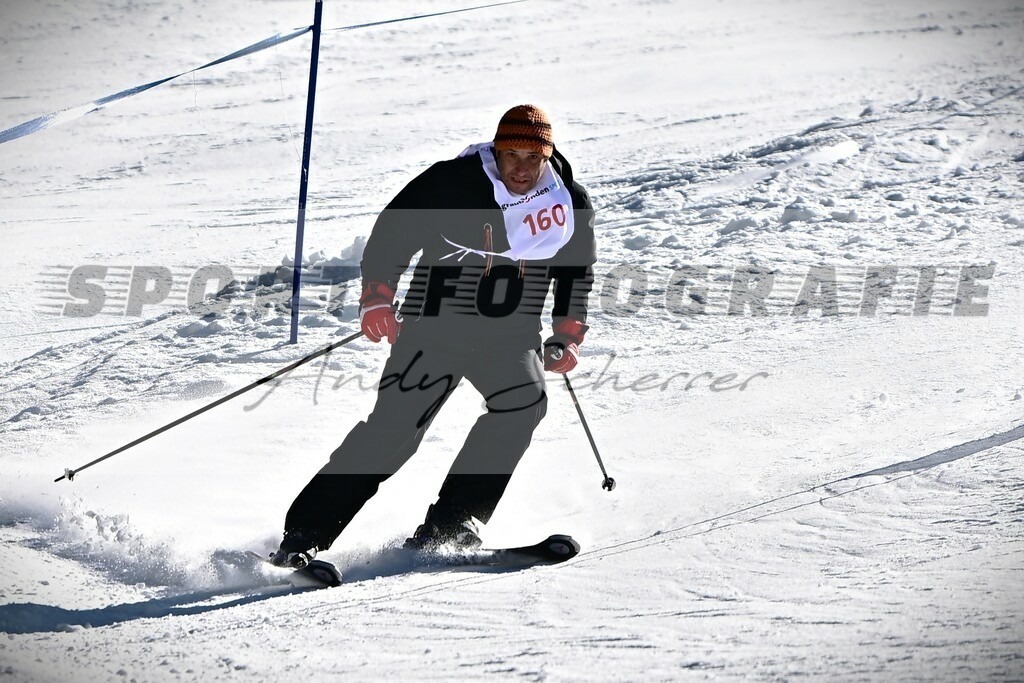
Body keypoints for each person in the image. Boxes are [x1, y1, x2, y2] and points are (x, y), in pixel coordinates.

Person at [272, 104, 597, 567]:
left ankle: (451, 527)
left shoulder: (567, 201)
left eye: (532, 157)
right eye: (510, 155)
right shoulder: (453, 182)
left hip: (511, 335)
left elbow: (576, 271)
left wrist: (567, 332)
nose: (521, 168)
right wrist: (379, 296)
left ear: (547, 156)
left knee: (524, 401)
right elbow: (393, 231)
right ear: (496, 150)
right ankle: (304, 536)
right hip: (435, 328)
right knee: (394, 432)